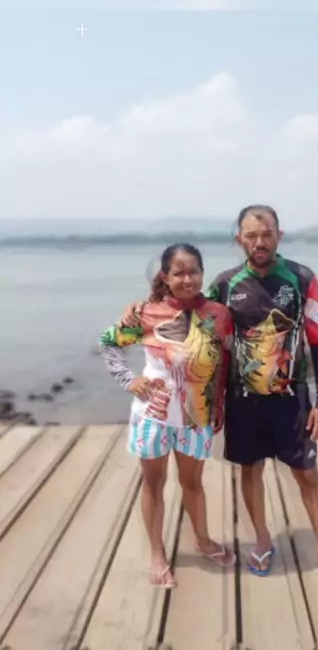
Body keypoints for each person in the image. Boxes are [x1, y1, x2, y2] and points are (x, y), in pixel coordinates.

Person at [121, 209, 318, 597]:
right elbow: (189, 309)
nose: (259, 242)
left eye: (266, 234)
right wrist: (142, 307)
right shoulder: (225, 284)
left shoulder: (302, 278)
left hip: (292, 399)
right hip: (242, 401)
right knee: (250, 470)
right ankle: (262, 540)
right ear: (239, 240)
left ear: (279, 235)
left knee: (306, 474)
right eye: (251, 236)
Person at [99, 243, 235, 589]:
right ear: (166, 276)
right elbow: (108, 344)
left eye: (193, 271)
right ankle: (157, 553)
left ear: (202, 273)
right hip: (153, 416)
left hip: (195, 417)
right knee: (153, 483)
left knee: (193, 483)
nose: (187, 279)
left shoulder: (218, 314)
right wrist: (129, 380)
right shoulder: (145, 313)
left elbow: (223, 364)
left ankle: (202, 540)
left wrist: (218, 405)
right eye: (179, 273)